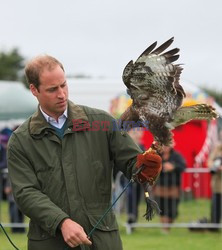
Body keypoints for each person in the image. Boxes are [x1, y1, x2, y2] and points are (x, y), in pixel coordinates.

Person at [7, 55, 162, 250]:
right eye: (52, 89)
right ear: (34, 90)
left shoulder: (102, 122)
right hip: (50, 242)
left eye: (64, 85)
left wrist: (146, 165)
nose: (62, 94)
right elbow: (25, 193)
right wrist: (61, 222)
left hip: (102, 241)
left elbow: (133, 164)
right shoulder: (21, 140)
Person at [153, 144, 186, 233]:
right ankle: (165, 229)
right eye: (163, 145)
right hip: (160, 187)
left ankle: (167, 227)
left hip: (173, 188)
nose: (165, 147)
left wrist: (173, 167)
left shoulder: (177, 156)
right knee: (161, 208)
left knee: (172, 210)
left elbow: (183, 166)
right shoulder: (156, 156)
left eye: (167, 145)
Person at [207, 131, 222, 232]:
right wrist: (214, 166)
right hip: (217, 184)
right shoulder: (217, 148)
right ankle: (214, 226)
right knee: (216, 207)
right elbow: (209, 161)